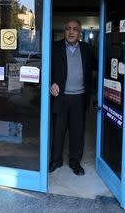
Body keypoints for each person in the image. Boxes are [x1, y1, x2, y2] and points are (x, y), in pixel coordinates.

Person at [49, 19, 93, 176]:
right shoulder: (54, 47)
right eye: (68, 28)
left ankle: (75, 162)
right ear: (64, 31)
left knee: (77, 132)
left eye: (75, 29)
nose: (71, 31)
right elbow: (46, 69)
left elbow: (93, 72)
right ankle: (56, 160)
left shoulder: (87, 49)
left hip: (79, 98)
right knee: (58, 131)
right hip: (60, 96)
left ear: (79, 32)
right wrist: (50, 83)